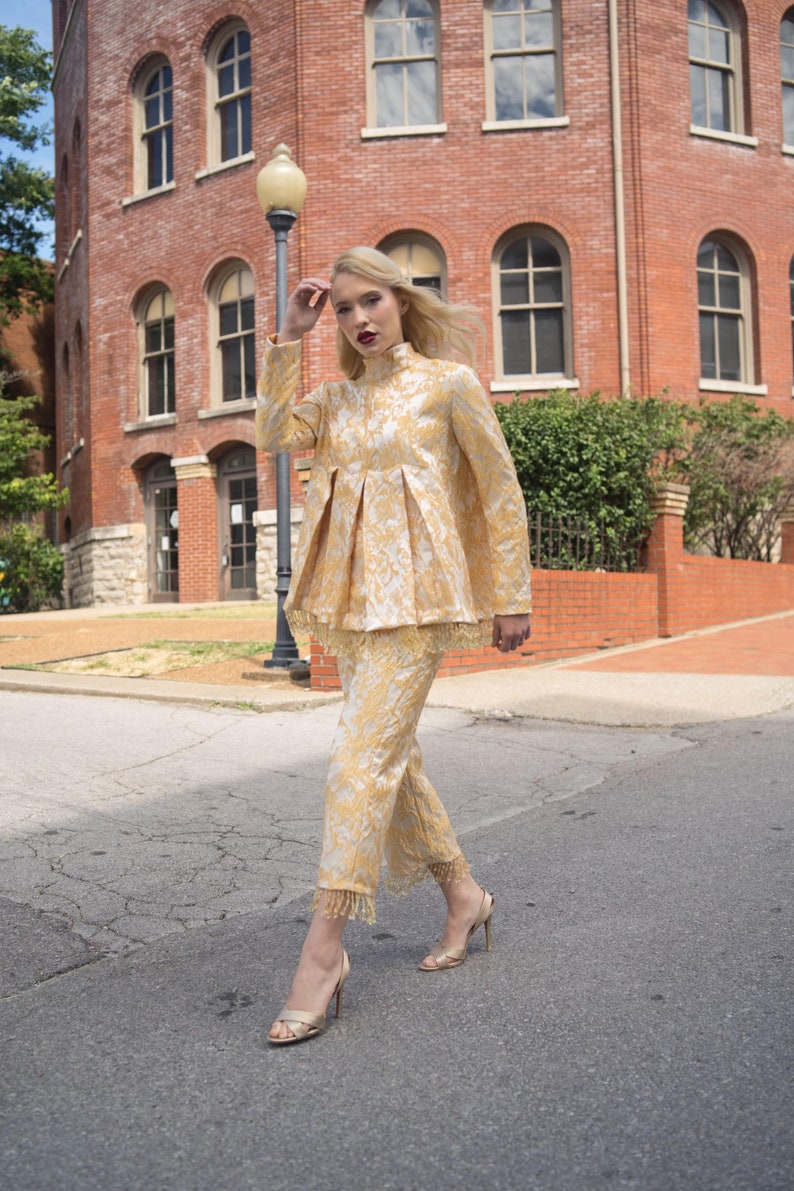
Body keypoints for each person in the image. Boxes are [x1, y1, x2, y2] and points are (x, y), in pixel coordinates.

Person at [256, 246, 532, 1045]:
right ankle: (464, 895)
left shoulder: (447, 383)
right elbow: (275, 430)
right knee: (391, 757)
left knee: (357, 760)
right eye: (342, 308)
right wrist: (288, 332)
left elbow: (498, 484)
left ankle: (322, 950)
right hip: (354, 605)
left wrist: (512, 593)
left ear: (401, 300)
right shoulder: (337, 399)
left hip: (421, 600)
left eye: (369, 300)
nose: (358, 319)